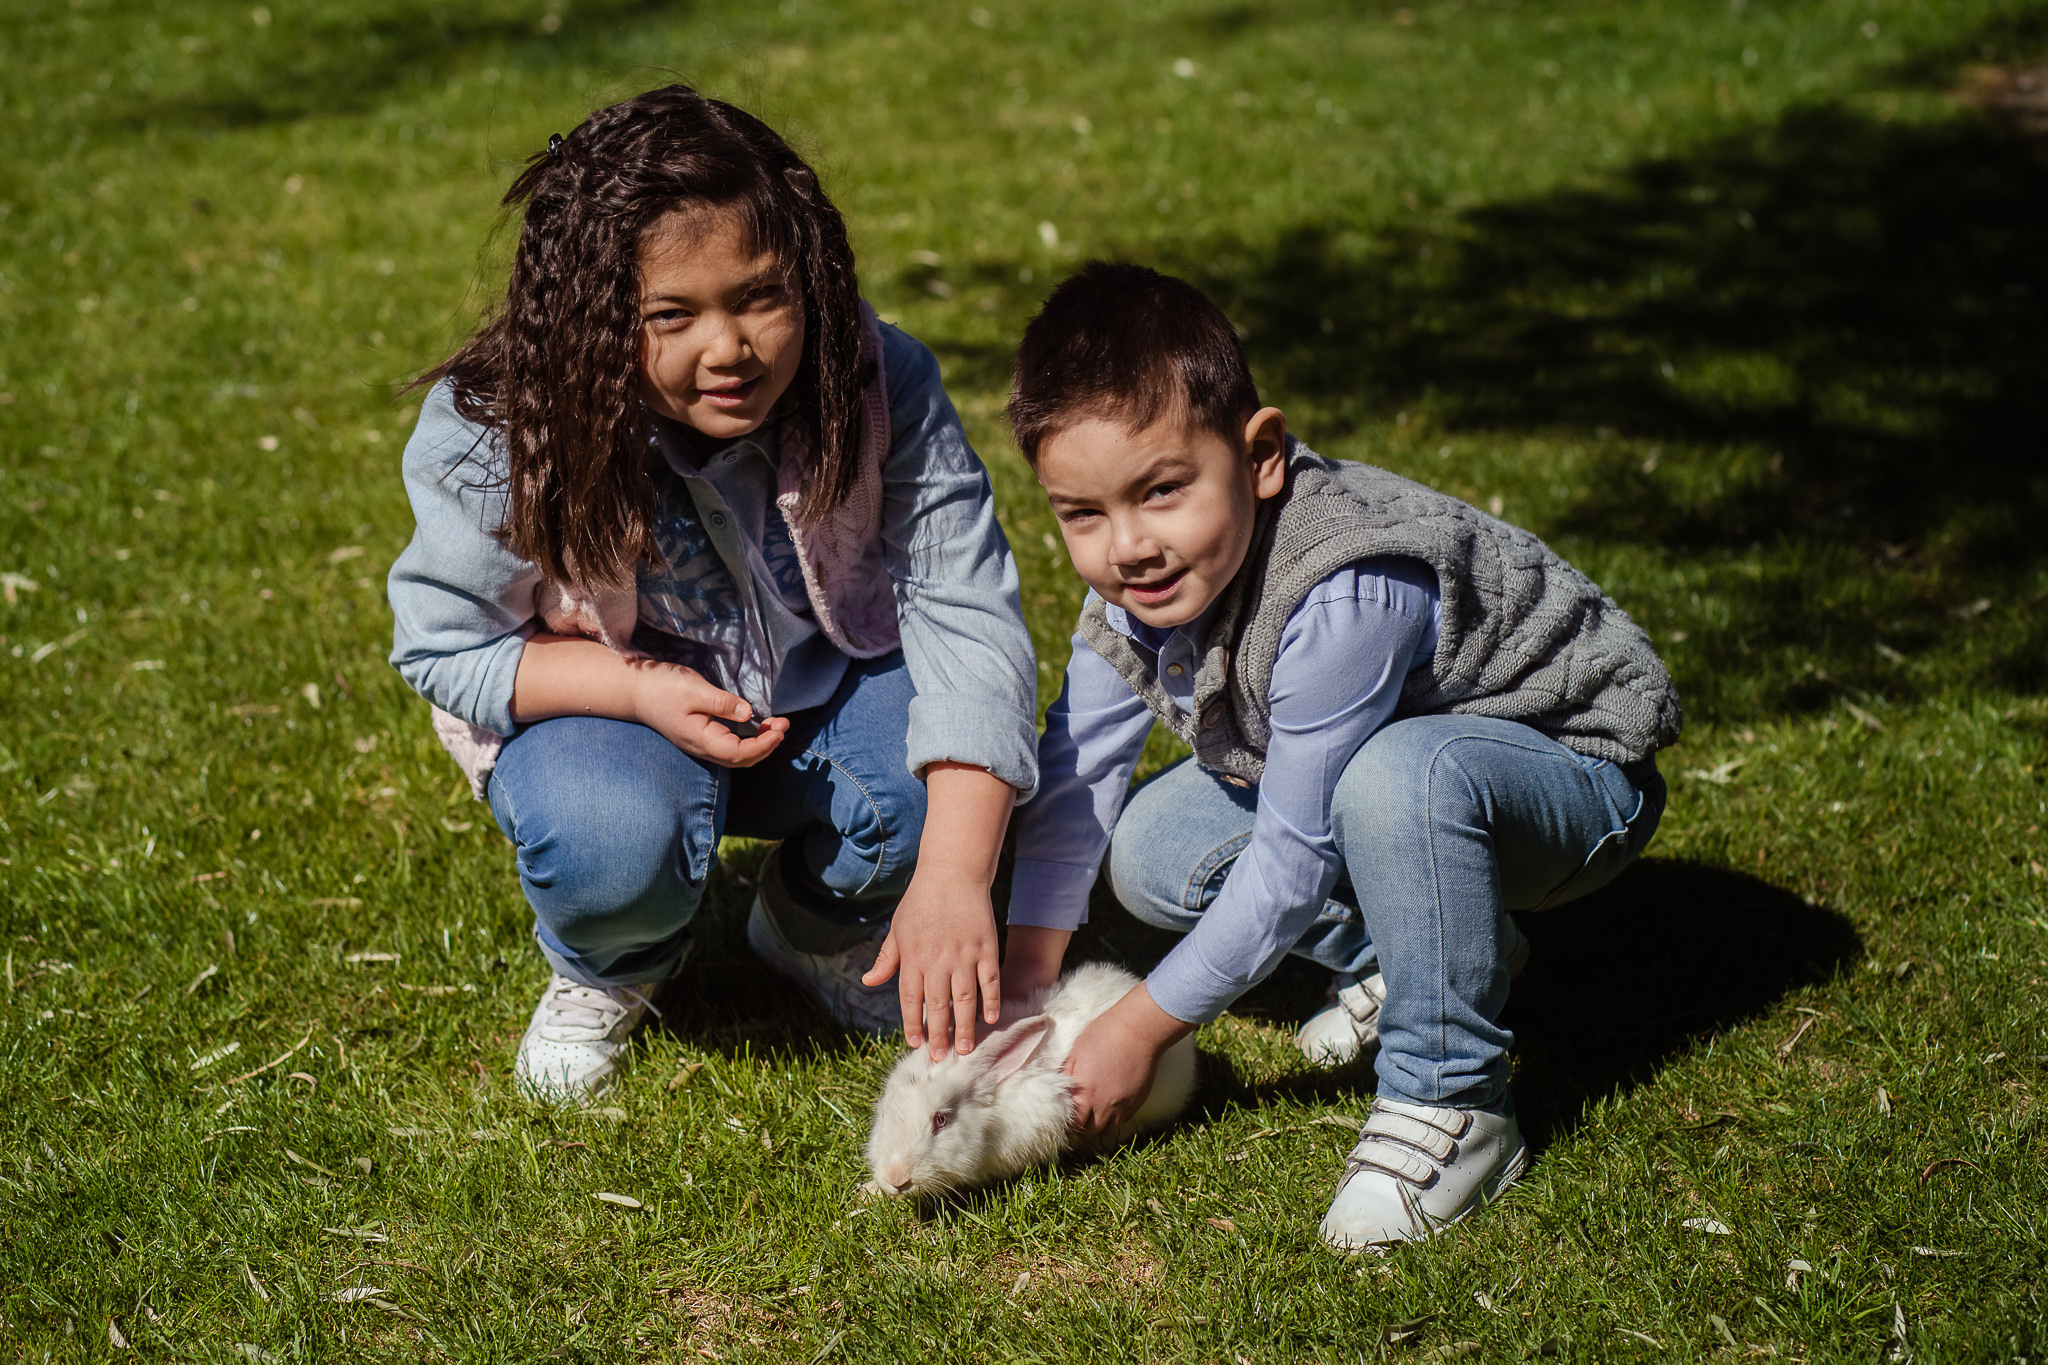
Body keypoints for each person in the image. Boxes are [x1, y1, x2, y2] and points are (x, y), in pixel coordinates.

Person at [1000, 263, 1679, 1248]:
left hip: (1570, 778)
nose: (1127, 546)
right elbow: (1080, 775)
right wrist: (1028, 970)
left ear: (1261, 454)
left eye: (1161, 491)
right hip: (1403, 784)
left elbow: (1288, 864)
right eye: (1083, 515)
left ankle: (1451, 1100)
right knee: (1152, 847)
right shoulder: (1134, 592)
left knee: (1396, 777)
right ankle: (1410, 960)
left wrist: (1142, 1025)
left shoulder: (1345, 588)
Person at [386, 86, 1037, 1100]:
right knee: (608, 842)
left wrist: (954, 874)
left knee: (944, 788)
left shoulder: (873, 379)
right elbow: (442, 647)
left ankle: (810, 928)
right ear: (594, 319)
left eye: (760, 296)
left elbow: (968, 614)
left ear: (812, 278)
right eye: (671, 315)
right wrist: (636, 691)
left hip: (819, 707)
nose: (728, 348)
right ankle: (614, 962)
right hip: (608, 722)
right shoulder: (496, 429)